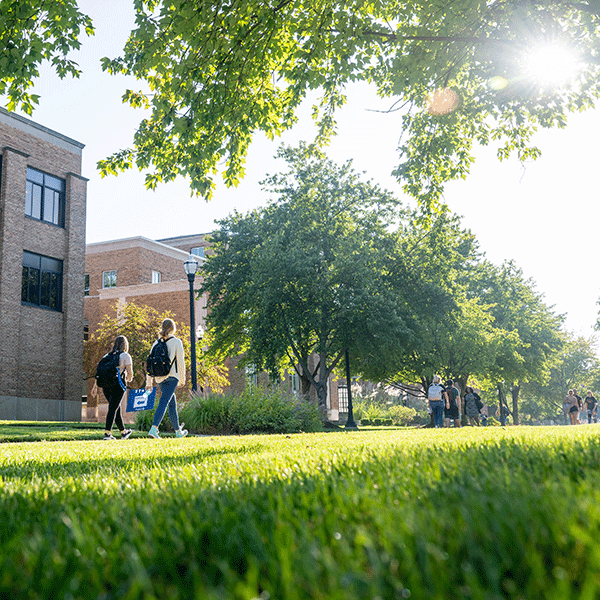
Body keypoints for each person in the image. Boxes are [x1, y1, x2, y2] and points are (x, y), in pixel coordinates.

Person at [147, 318, 188, 439]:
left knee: (171, 404)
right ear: (173, 328)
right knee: (164, 401)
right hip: (172, 377)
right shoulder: (176, 342)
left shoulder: (156, 343)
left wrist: (149, 381)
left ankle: (178, 432)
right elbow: (181, 362)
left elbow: (150, 363)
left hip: (159, 378)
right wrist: (182, 379)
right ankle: (154, 428)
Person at [91, 335, 134, 441]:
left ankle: (123, 432)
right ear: (125, 345)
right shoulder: (125, 356)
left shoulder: (106, 356)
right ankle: (107, 434)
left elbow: (99, 372)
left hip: (105, 385)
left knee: (115, 408)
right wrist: (129, 379)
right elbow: (130, 373)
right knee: (113, 408)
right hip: (117, 385)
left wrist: (94, 387)